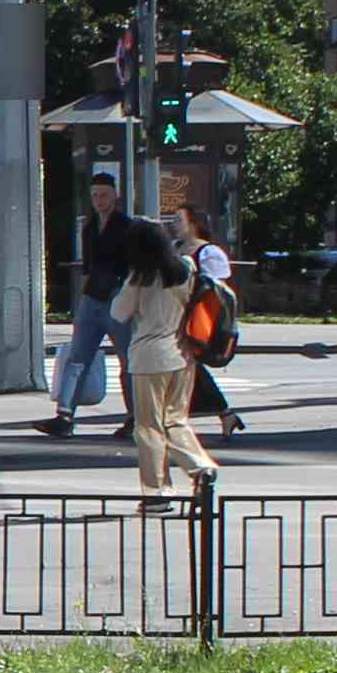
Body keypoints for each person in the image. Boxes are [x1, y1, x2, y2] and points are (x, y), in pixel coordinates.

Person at [115, 211, 215, 495]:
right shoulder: (186, 267)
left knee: (148, 427)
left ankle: (156, 491)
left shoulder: (140, 277)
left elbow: (118, 313)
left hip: (149, 357)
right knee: (176, 419)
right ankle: (200, 466)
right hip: (183, 353)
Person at [39, 165, 136, 437]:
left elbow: (133, 266)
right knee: (77, 358)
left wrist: (128, 297)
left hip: (117, 299)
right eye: (95, 195)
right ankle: (64, 416)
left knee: (128, 361)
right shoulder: (90, 227)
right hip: (93, 299)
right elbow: (87, 268)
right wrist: (83, 299)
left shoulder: (126, 226)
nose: (99, 200)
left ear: (115, 196)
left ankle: (135, 418)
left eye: (104, 195)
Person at [181, 199, 249, 441]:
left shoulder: (208, 252)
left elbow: (215, 289)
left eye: (179, 220)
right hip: (177, 316)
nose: (174, 225)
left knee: (189, 366)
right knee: (188, 368)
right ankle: (224, 414)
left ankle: (176, 421)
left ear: (193, 224)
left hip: (198, 317)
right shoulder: (176, 248)